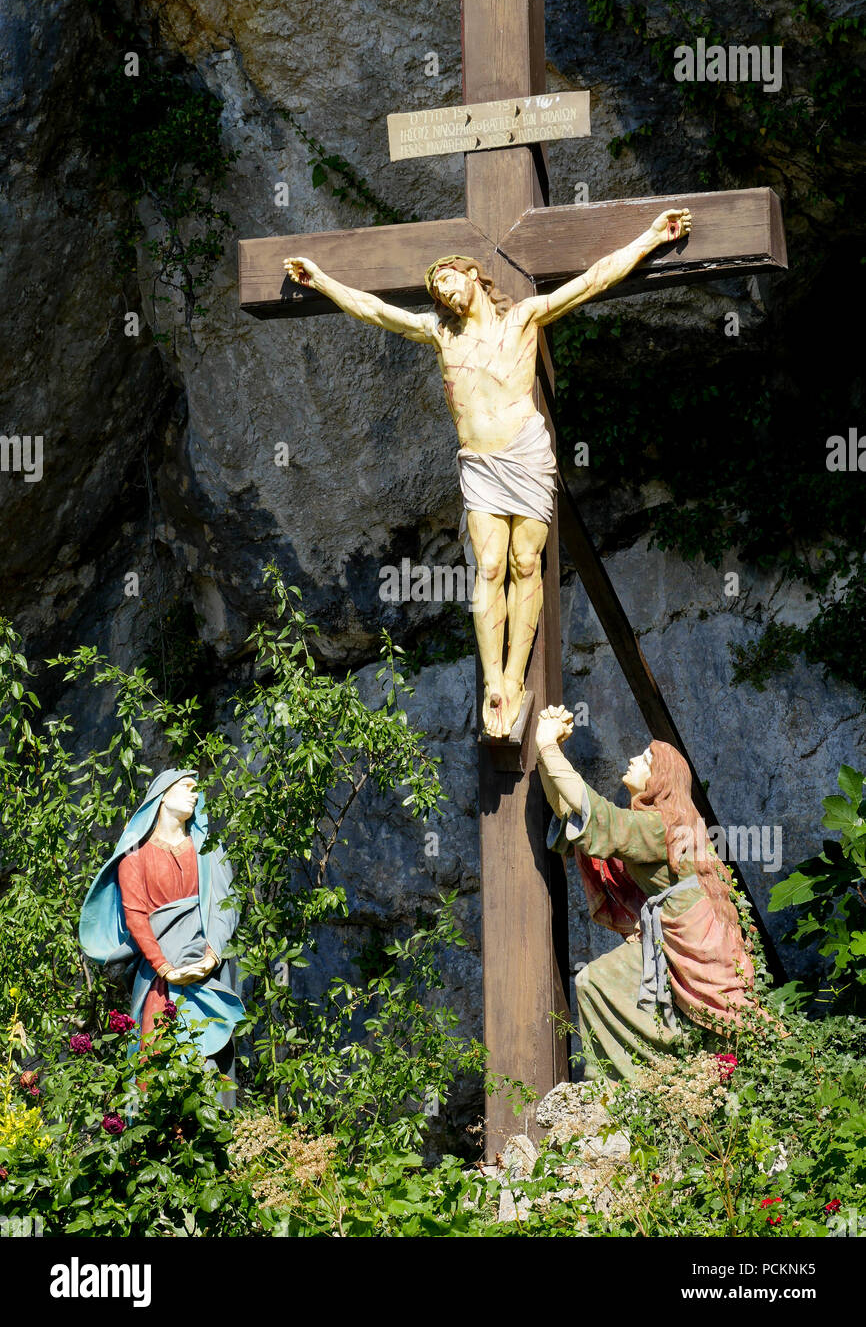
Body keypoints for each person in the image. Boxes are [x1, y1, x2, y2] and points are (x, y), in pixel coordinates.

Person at [283, 207, 691, 737]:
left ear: (472, 274)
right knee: (490, 569)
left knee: (527, 564)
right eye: (436, 290)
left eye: (447, 280)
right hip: (479, 463)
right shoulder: (439, 333)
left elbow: (592, 280)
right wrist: (322, 281)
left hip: (525, 453)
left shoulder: (523, 318)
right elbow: (374, 310)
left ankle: (516, 677)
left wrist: (649, 238)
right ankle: (494, 680)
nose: (443, 293)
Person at [535, 705, 764, 1081]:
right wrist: (548, 756)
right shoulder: (653, 824)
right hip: (668, 931)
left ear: (660, 780)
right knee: (594, 981)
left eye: (644, 759)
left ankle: (659, 1083)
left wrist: (549, 749)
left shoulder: (661, 826)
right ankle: (643, 1083)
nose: (632, 760)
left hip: (692, 937)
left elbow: (601, 817)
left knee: (714, 1022)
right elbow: (571, 814)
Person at [79, 769, 244, 1085]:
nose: (194, 795)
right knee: (156, 1065)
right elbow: (136, 916)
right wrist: (166, 968)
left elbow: (227, 906)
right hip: (158, 978)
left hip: (206, 973)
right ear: (163, 794)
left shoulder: (208, 849)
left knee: (208, 1068)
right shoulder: (135, 853)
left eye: (197, 790)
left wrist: (211, 956)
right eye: (186, 787)